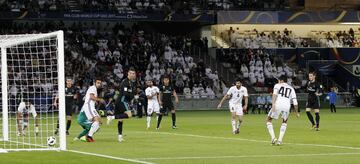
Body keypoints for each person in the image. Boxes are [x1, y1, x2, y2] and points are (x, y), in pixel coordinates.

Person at [266, 75, 300, 145]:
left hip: (278, 104)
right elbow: (295, 102)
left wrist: (273, 104)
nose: (278, 81)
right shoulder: (291, 88)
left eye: (279, 80)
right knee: (284, 122)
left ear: (281, 80)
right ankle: (280, 140)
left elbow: (274, 95)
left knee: (269, 120)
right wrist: (297, 112)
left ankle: (273, 138)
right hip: (287, 107)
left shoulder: (277, 85)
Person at [107, 68, 137, 142]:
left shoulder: (131, 83)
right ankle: (111, 117)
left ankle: (120, 136)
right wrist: (132, 96)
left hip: (120, 101)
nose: (133, 75)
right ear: (128, 74)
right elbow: (125, 93)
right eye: (131, 73)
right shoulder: (125, 82)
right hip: (122, 100)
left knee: (120, 119)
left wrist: (132, 95)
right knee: (129, 115)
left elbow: (130, 93)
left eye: (134, 73)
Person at [75, 78, 104, 142]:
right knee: (96, 120)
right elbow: (91, 97)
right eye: (98, 83)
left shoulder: (94, 89)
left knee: (99, 121)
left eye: (100, 83)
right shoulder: (93, 88)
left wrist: (94, 101)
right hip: (88, 106)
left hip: (90, 106)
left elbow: (87, 97)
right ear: (95, 83)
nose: (99, 84)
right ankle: (89, 136)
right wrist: (99, 100)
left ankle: (87, 136)